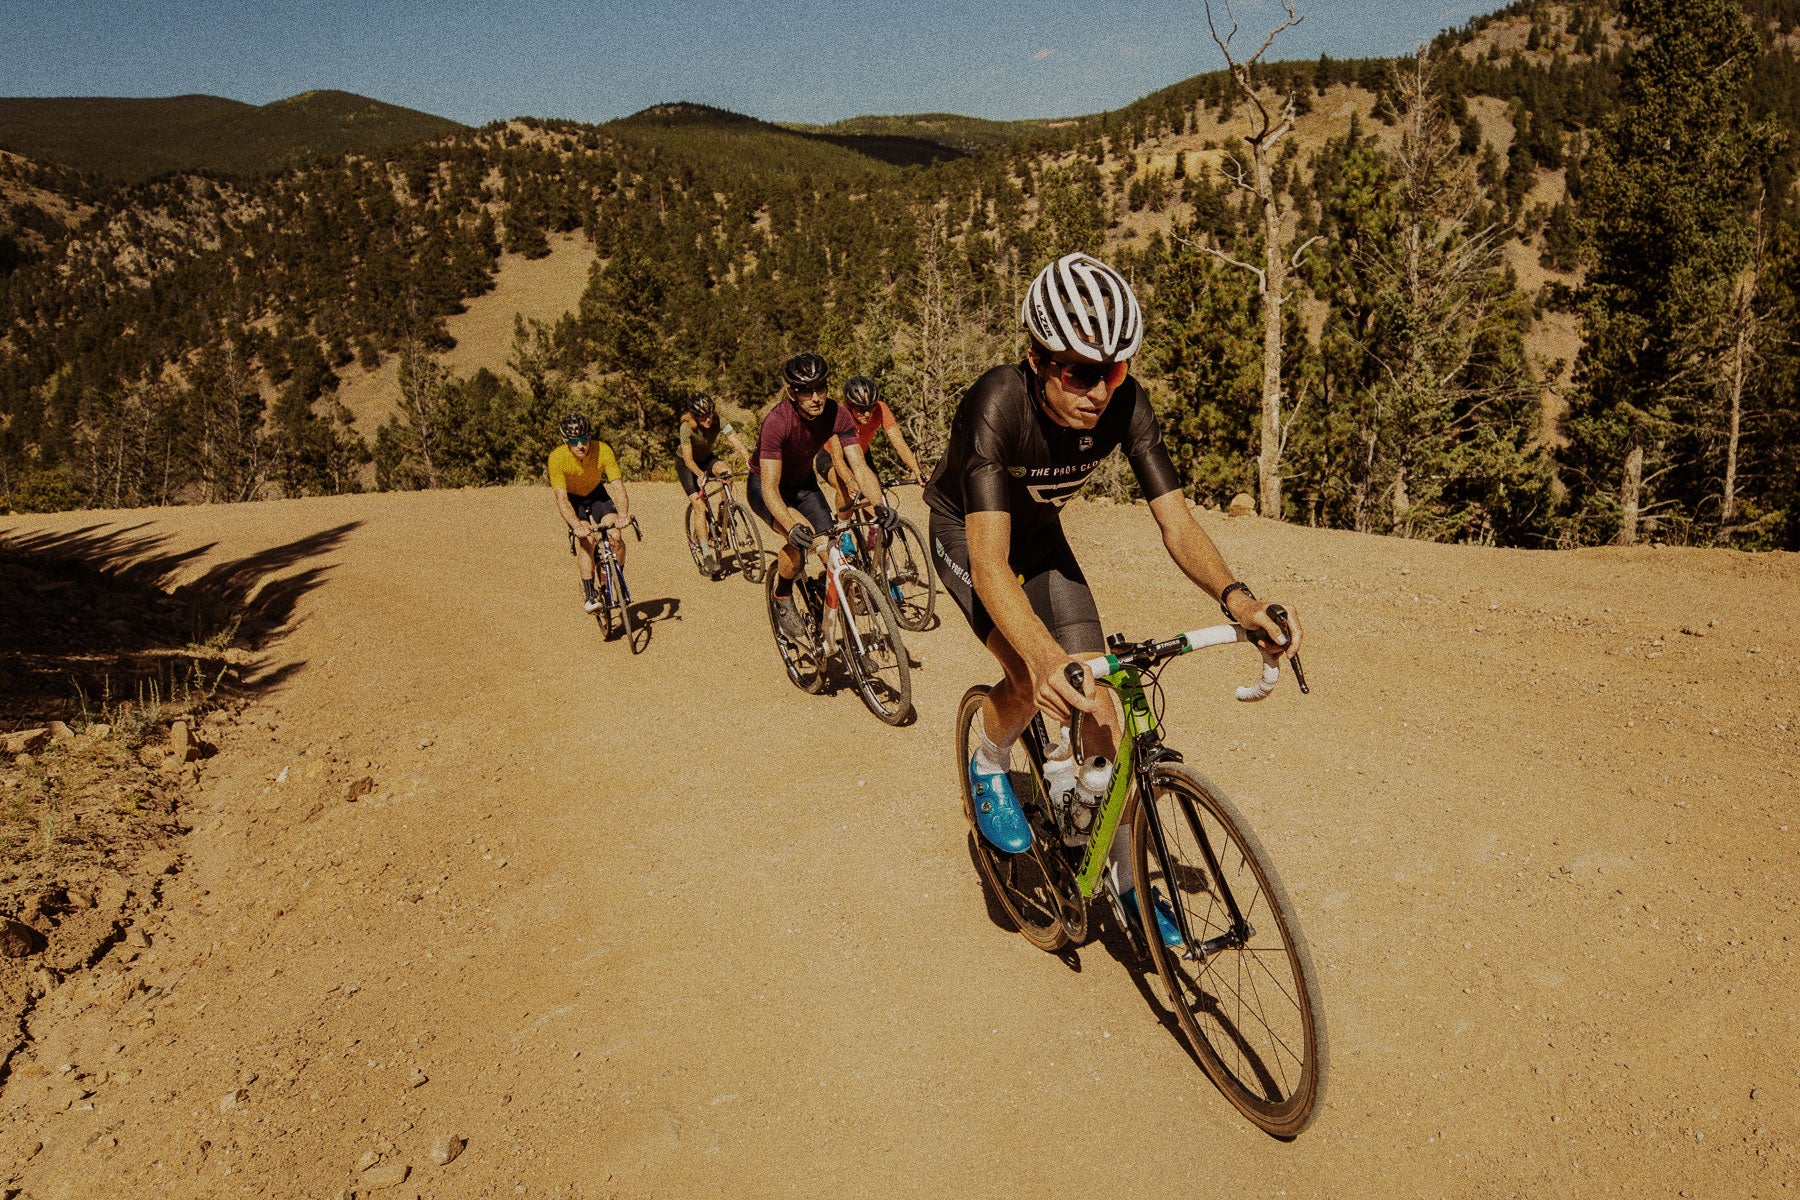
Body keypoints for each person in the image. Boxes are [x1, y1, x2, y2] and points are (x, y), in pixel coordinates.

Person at [924, 251, 1304, 942]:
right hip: (969, 535)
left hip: (1040, 540)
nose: (1099, 390)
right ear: (1038, 358)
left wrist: (1239, 600)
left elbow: (1177, 521)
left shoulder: (1125, 406)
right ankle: (989, 760)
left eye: (1115, 370)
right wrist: (1041, 657)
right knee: (1025, 672)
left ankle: (1126, 880)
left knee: (1101, 705)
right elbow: (987, 565)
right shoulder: (996, 402)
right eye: (1079, 371)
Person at [748, 352, 891, 641]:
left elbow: (859, 466)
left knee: (833, 553)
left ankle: (852, 644)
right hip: (766, 488)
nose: (815, 397)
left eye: (821, 387)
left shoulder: (836, 415)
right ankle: (783, 591)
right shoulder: (777, 422)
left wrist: (879, 506)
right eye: (806, 391)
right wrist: (791, 526)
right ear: (792, 392)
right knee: (804, 542)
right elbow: (770, 489)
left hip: (804, 484)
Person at [548, 413, 632, 613]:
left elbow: (618, 486)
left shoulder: (603, 450)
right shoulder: (557, 458)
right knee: (587, 541)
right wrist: (577, 526)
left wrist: (623, 514)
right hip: (573, 499)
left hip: (597, 494)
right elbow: (562, 498)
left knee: (615, 535)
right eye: (574, 441)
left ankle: (616, 578)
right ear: (565, 440)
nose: (581, 445)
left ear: (590, 436)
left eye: (584, 439)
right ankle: (589, 595)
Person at [677, 391, 751, 571]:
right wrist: (700, 474)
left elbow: (735, 439)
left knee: (727, 473)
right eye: (703, 417)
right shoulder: (687, 427)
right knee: (699, 508)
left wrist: (748, 458)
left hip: (707, 458)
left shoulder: (718, 420)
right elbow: (688, 459)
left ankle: (723, 511)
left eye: (709, 414)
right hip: (687, 465)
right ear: (694, 415)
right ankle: (707, 555)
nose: (708, 420)